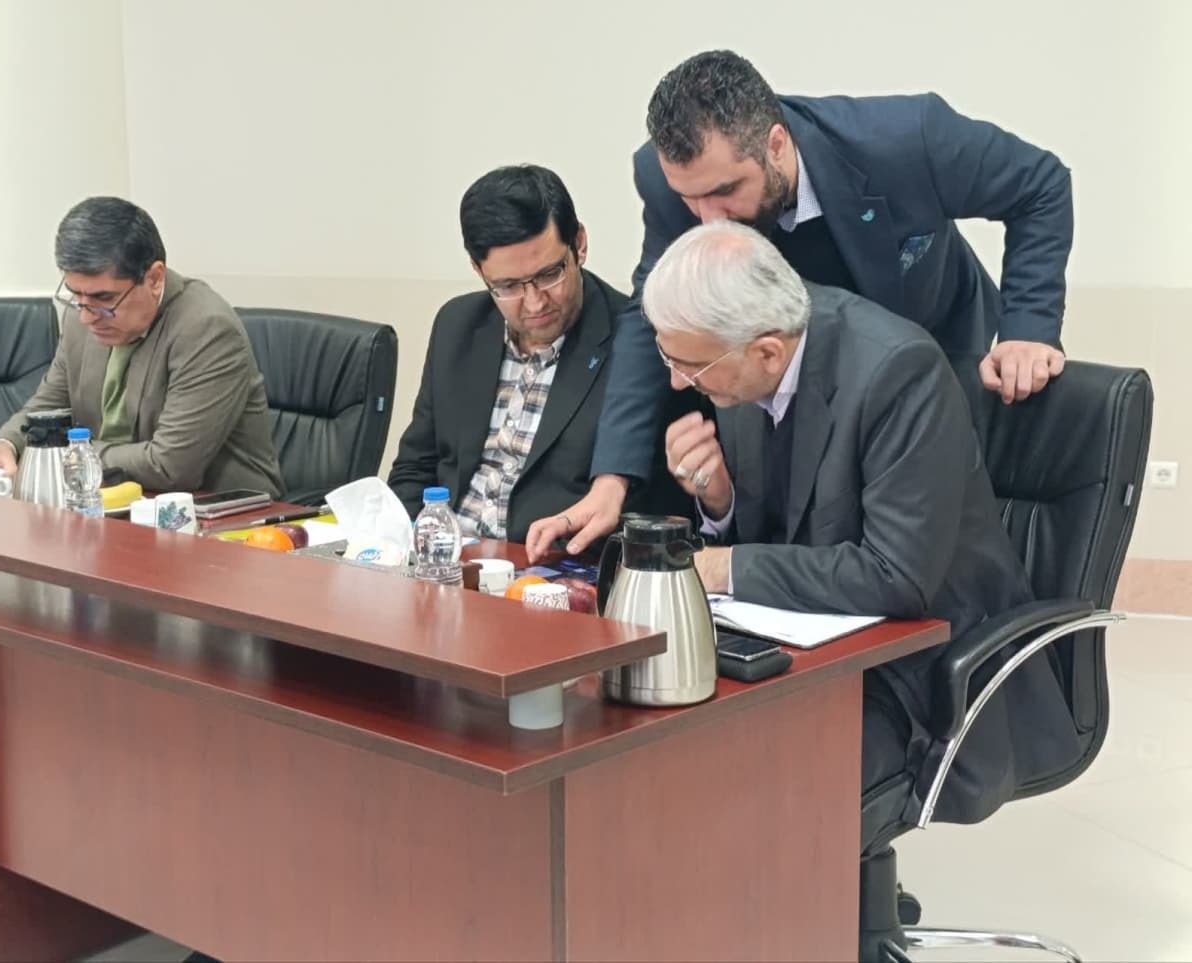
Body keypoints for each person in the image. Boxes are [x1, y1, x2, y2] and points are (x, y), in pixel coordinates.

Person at [648, 220, 1079, 851]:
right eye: (669, 358)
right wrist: (720, 501)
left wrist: (723, 565)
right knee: (664, 754)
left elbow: (896, 578)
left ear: (767, 352)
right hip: (802, 646)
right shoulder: (739, 355)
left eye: (690, 365)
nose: (678, 383)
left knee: (767, 798)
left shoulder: (896, 371)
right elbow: (781, 526)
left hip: (918, 668)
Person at [550, 48, 1073, 553]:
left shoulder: (906, 139)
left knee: (922, 539)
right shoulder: (672, 178)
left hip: (931, 350)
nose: (709, 218)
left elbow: (1040, 186)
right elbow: (653, 316)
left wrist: (1028, 328)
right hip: (790, 381)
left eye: (726, 191)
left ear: (776, 144)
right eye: (692, 200)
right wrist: (612, 479)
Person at [389, 165, 690, 547]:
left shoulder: (638, 345)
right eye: (508, 286)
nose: (535, 303)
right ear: (478, 270)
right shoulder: (457, 325)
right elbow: (415, 468)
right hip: (447, 561)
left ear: (579, 244)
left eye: (549, 275)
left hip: (547, 566)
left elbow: (653, 507)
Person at [0, 196, 283, 497]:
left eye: (104, 298)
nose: (86, 316)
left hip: (219, 519)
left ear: (154, 278)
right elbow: (48, 408)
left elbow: (170, 466)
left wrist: (58, 454)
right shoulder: (83, 315)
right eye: (76, 296)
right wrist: (2, 446)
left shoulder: (206, 329)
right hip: (109, 502)